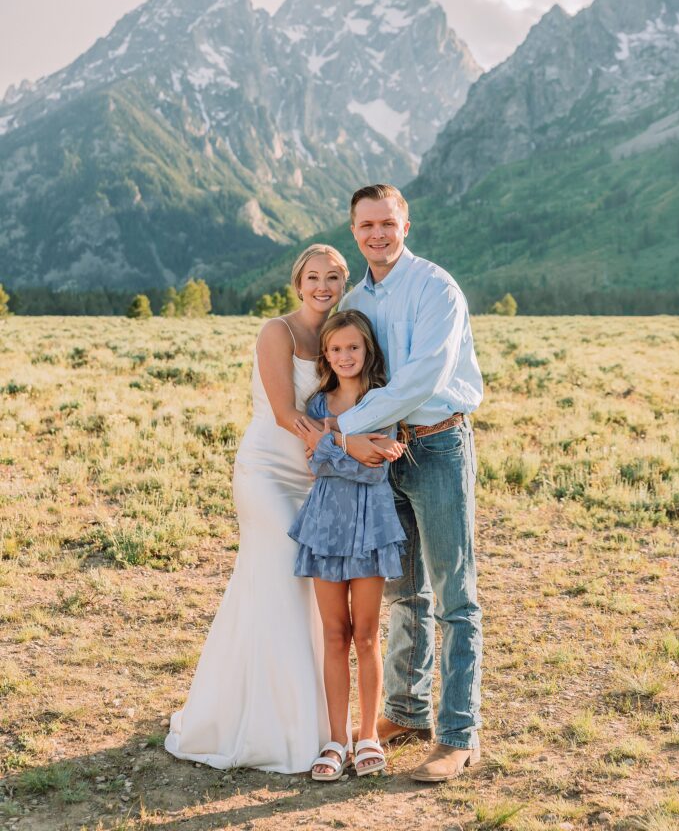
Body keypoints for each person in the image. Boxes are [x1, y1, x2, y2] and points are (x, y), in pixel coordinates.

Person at [164, 244, 402, 774]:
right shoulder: (278, 332)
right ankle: (270, 723)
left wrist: (349, 443)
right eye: (313, 277)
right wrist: (348, 444)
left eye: (334, 277)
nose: (323, 286)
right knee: (277, 574)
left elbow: (361, 404)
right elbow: (285, 413)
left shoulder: (344, 337)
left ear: (345, 284)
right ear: (298, 284)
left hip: (323, 482)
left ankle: (325, 726)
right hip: (271, 471)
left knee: (312, 600)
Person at [303, 184, 484, 783]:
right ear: (353, 231)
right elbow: (348, 363)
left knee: (455, 593)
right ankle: (406, 712)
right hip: (383, 458)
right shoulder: (356, 297)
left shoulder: (437, 288)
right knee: (406, 591)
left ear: (406, 222)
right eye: (365, 226)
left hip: (434, 444)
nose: (376, 234)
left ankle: (459, 735)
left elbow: (420, 376)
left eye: (387, 222)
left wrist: (340, 430)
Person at [290, 311, 407, 780]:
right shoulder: (317, 404)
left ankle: (367, 736)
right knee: (335, 635)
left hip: (372, 526)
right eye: (336, 349)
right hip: (326, 527)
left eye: (353, 348)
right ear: (326, 355)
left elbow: (375, 470)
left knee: (366, 635)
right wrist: (352, 446)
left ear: (367, 351)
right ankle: (336, 739)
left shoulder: (383, 402)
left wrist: (334, 445)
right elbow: (317, 467)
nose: (345, 356)